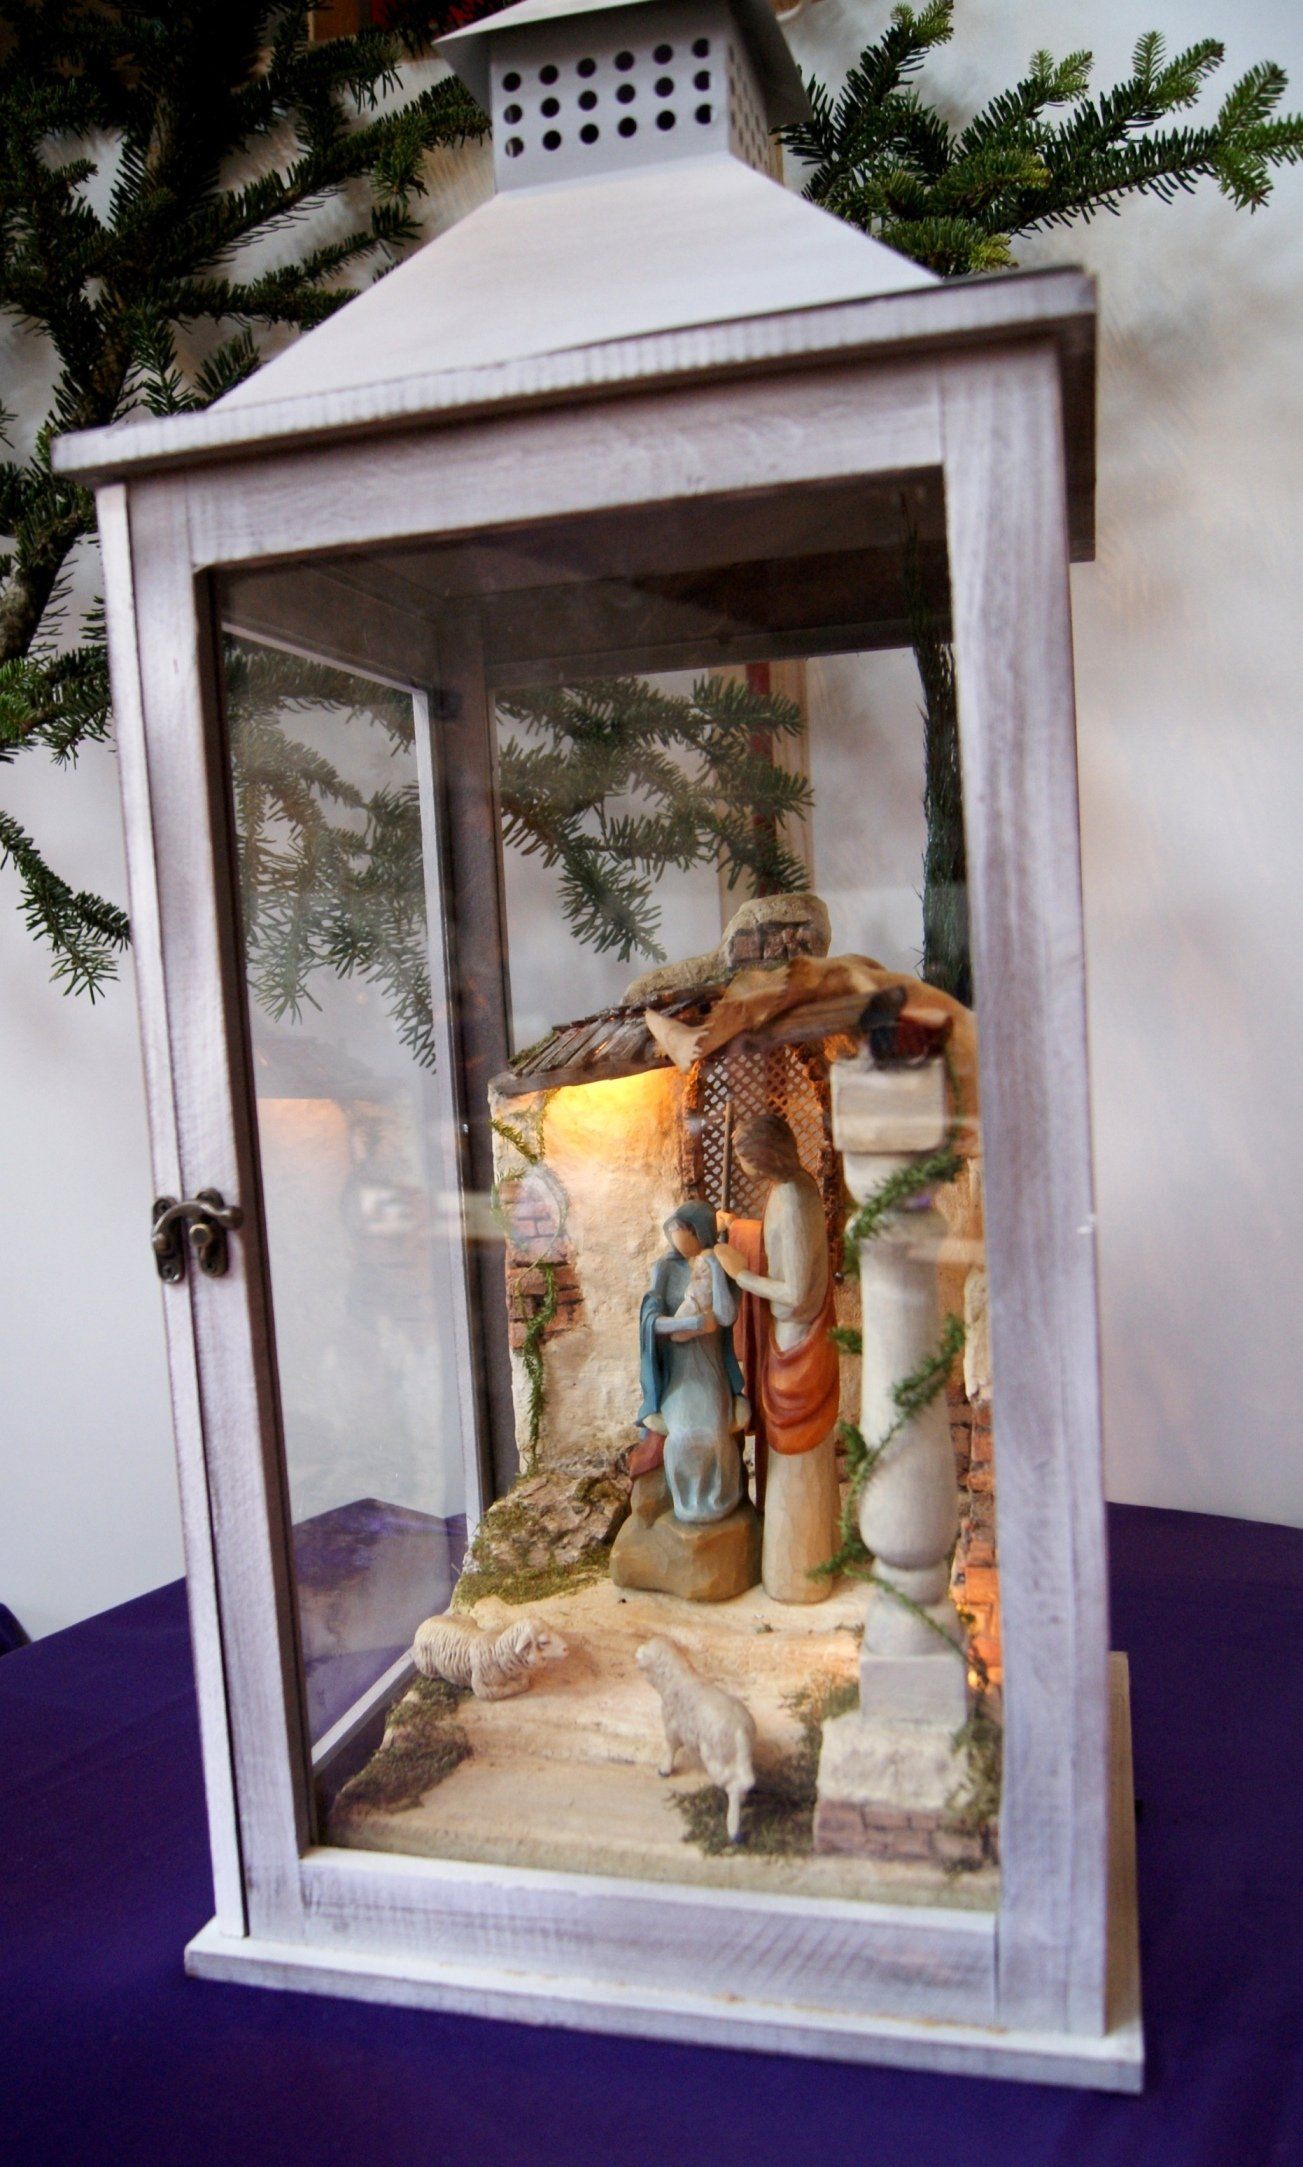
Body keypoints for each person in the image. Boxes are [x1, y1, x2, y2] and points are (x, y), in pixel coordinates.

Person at [714, 1115, 839, 1602]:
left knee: (795, 1460)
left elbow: (795, 1293)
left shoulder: (794, 1199)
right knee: (797, 1458)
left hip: (797, 1343)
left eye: (746, 1158)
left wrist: (740, 1274)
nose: (743, 1167)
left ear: (766, 1156)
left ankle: (796, 1573)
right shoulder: (793, 1186)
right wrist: (740, 1229)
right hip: (795, 1337)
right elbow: (780, 1246)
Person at [637, 1201, 747, 1526]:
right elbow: (650, 1323)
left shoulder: (719, 1263)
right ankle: (685, 1500)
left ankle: (720, 1498)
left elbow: (727, 1316)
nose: (676, 1241)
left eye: (682, 1234)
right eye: (672, 1234)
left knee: (714, 1434)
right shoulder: (665, 1269)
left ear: (700, 1233)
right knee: (683, 1435)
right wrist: (691, 1324)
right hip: (679, 1374)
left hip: (711, 1370)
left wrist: (715, 1268)